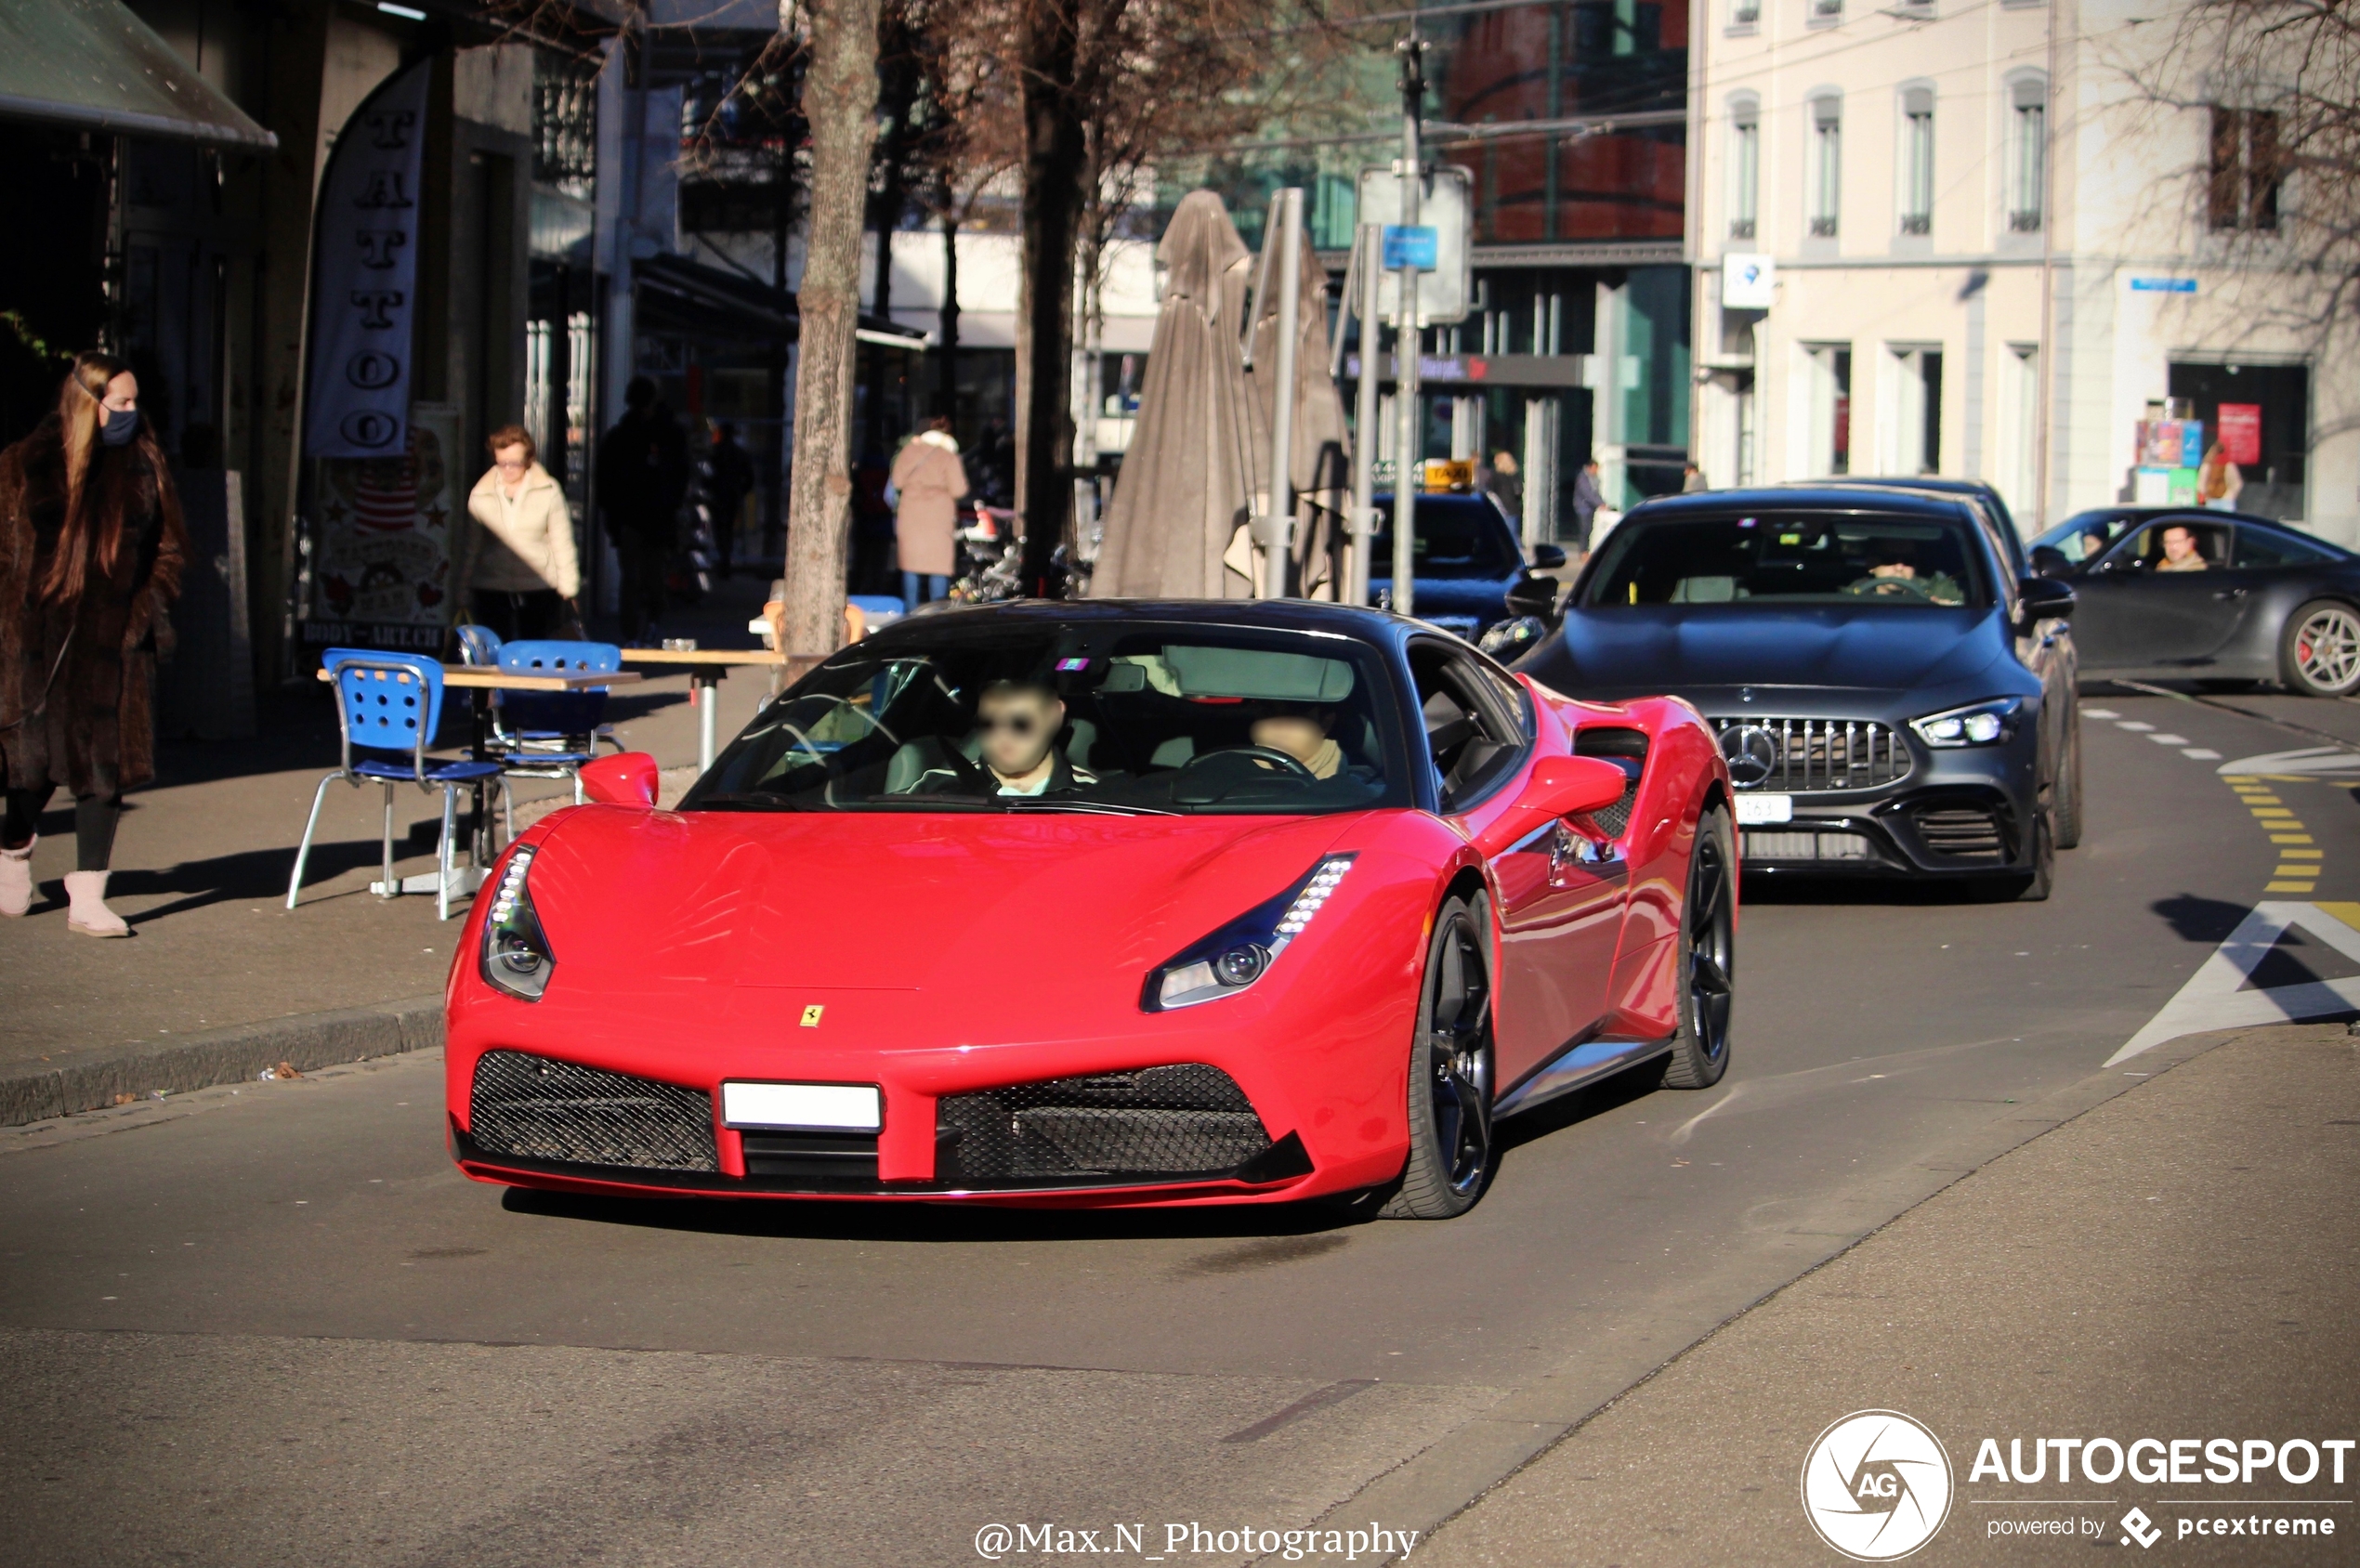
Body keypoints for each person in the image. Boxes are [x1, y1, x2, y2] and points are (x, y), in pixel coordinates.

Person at [0, 351, 188, 936]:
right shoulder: (23, 464)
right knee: (31, 768)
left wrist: (142, 615)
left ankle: (88, 897)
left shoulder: (144, 465)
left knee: (100, 769)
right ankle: (12, 850)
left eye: (136, 402)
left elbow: (170, 552)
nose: (133, 413)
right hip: (33, 642)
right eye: (122, 403)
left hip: (110, 643)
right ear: (89, 402)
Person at [458, 425, 578, 641]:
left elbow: (562, 540)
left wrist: (568, 587)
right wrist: (463, 587)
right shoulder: (481, 493)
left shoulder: (548, 490)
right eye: (502, 463)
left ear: (529, 458)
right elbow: (471, 546)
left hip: (538, 586)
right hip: (491, 586)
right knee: (494, 654)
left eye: (515, 463)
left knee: (535, 651)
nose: (508, 469)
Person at [596, 376, 688, 642]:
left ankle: (635, 632)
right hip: (650, 517)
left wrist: (612, 514)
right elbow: (680, 475)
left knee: (636, 579)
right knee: (649, 578)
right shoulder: (667, 434)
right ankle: (648, 627)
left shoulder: (621, 436)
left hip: (635, 517)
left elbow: (606, 481)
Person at [888, 416, 968, 608]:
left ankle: (910, 612)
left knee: (910, 566)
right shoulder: (948, 457)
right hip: (939, 517)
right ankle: (936, 612)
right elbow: (959, 490)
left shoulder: (908, 452)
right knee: (939, 567)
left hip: (911, 515)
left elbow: (897, 481)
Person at [703, 422, 754, 579]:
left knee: (720, 530)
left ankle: (723, 561)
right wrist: (740, 491)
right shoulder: (739, 453)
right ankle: (725, 561)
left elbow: (707, 475)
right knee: (728, 530)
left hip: (718, 496)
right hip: (731, 496)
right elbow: (750, 477)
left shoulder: (715, 453)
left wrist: (709, 489)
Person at [1843, 542, 1963, 604]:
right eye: (1889, 559)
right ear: (1871, 565)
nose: (1899, 567)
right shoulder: (1852, 596)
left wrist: (1946, 607)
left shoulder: (1936, 589)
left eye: (1908, 560)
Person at [2198, 442, 2244, 512]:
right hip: (2211, 501)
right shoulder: (2206, 466)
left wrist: (2229, 496)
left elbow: (2237, 483)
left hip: (2226, 502)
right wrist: (2206, 495)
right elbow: (2201, 484)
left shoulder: (2229, 465)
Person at [1572, 458, 1605, 550]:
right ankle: (1583, 551)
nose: (1596, 471)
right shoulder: (1582, 478)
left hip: (1590, 508)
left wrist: (1602, 503)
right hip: (1582, 508)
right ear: (1590, 468)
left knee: (1589, 530)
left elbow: (1595, 493)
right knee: (1584, 530)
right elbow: (1587, 493)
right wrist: (1599, 504)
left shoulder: (1594, 479)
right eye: (1595, 468)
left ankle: (1585, 550)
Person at [1485, 451, 1523, 528]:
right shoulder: (1514, 475)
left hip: (1500, 509)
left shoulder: (1495, 475)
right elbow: (1519, 492)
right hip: (1513, 509)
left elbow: (1489, 492)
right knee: (1512, 535)